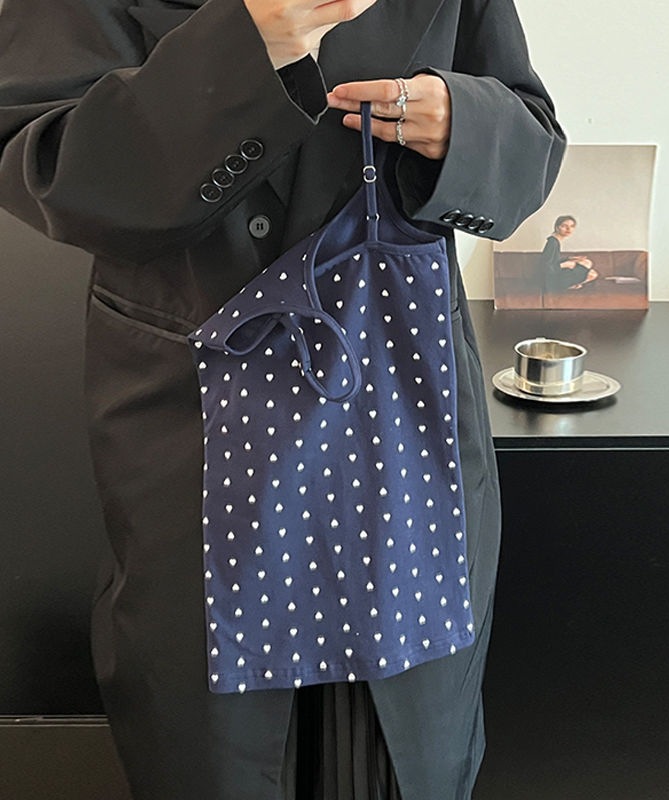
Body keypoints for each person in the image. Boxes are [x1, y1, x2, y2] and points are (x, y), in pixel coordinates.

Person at [0, 1, 565, 798]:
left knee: (408, 743)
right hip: (191, 413)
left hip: (397, 411)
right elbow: (49, 164)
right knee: (214, 749)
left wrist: (462, 124)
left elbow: (533, 141)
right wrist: (250, 42)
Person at [541, 215, 598, 292]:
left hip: (557, 273)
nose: (568, 229)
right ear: (557, 228)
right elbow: (546, 268)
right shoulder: (552, 242)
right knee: (593, 274)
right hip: (552, 281)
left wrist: (569, 259)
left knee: (587, 262)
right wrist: (566, 264)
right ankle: (568, 286)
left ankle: (572, 283)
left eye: (571, 226)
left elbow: (554, 260)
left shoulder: (556, 241)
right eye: (564, 226)